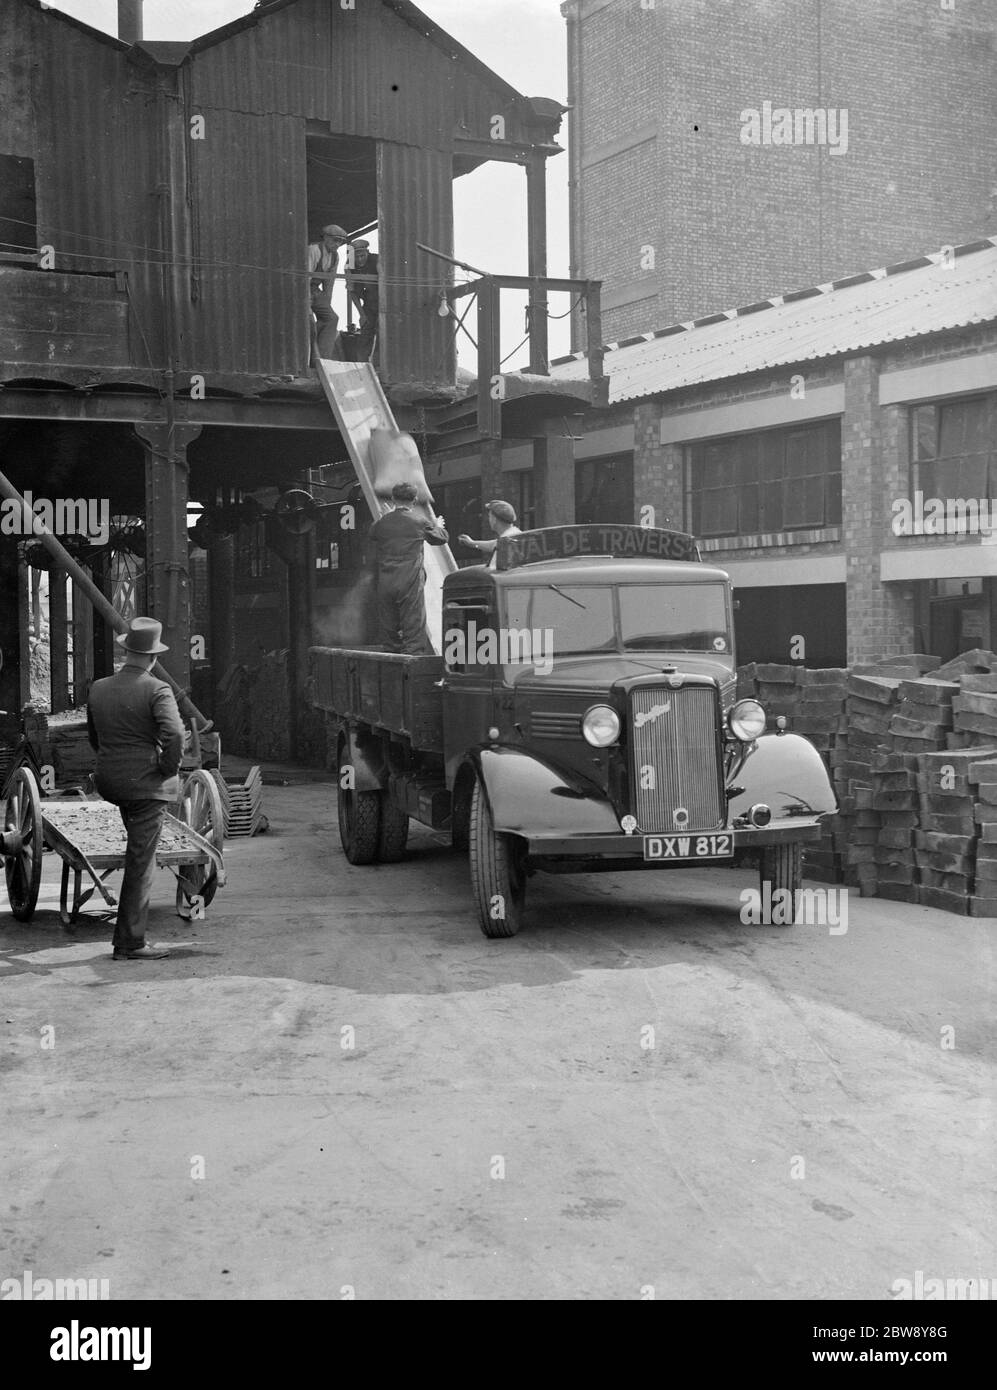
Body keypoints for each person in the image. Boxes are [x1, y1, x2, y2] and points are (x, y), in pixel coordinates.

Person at [86, 617, 185, 961]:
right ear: (154, 657)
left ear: (127, 651)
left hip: (110, 782)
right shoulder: (158, 689)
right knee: (141, 861)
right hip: (145, 788)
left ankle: (129, 937)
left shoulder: (98, 687)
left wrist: (113, 762)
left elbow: (94, 737)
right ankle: (129, 943)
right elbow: (175, 736)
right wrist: (165, 770)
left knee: (137, 842)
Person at [369, 483, 449, 654]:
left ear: (392, 499)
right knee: (413, 624)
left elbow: (372, 533)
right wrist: (438, 525)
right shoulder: (420, 521)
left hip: (386, 581)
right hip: (409, 581)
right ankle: (412, 663)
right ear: (414, 501)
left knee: (389, 625)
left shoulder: (382, 522)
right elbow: (441, 538)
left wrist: (386, 517)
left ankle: (391, 657)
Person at [307, 224, 350, 361]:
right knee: (309, 323)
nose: (337, 244)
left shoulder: (335, 257)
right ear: (325, 238)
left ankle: (323, 359)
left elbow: (329, 282)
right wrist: (307, 303)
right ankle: (309, 360)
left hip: (315, 291)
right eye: (335, 240)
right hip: (303, 289)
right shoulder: (314, 250)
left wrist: (326, 304)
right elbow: (305, 277)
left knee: (332, 318)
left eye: (340, 241)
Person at [458, 499, 522, 569]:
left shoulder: (505, 543)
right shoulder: (514, 534)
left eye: (489, 516)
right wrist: (472, 543)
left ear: (494, 520)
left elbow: (494, 571)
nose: (489, 519)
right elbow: (493, 544)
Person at [346, 239, 379, 362]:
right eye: (356, 256)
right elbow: (352, 292)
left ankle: (378, 366)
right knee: (365, 334)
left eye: (362, 255)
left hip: (381, 302)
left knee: (382, 334)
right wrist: (362, 314)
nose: (359, 259)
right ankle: (362, 365)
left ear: (368, 252)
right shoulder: (349, 265)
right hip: (368, 304)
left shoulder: (377, 260)